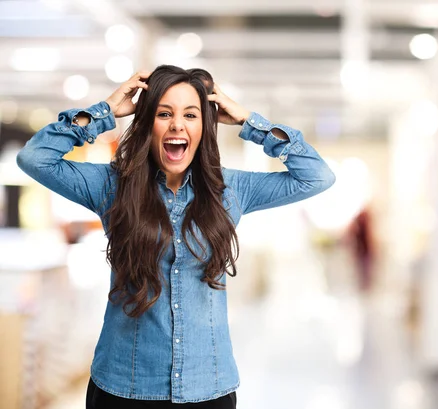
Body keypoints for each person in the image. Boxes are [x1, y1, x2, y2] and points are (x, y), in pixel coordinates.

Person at [17, 65, 336, 409]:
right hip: (126, 388)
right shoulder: (113, 187)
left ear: (205, 126)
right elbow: (35, 158)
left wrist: (250, 123)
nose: (177, 125)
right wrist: (105, 110)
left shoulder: (230, 190)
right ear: (146, 123)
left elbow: (316, 176)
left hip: (208, 388)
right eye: (163, 113)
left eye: (191, 114)